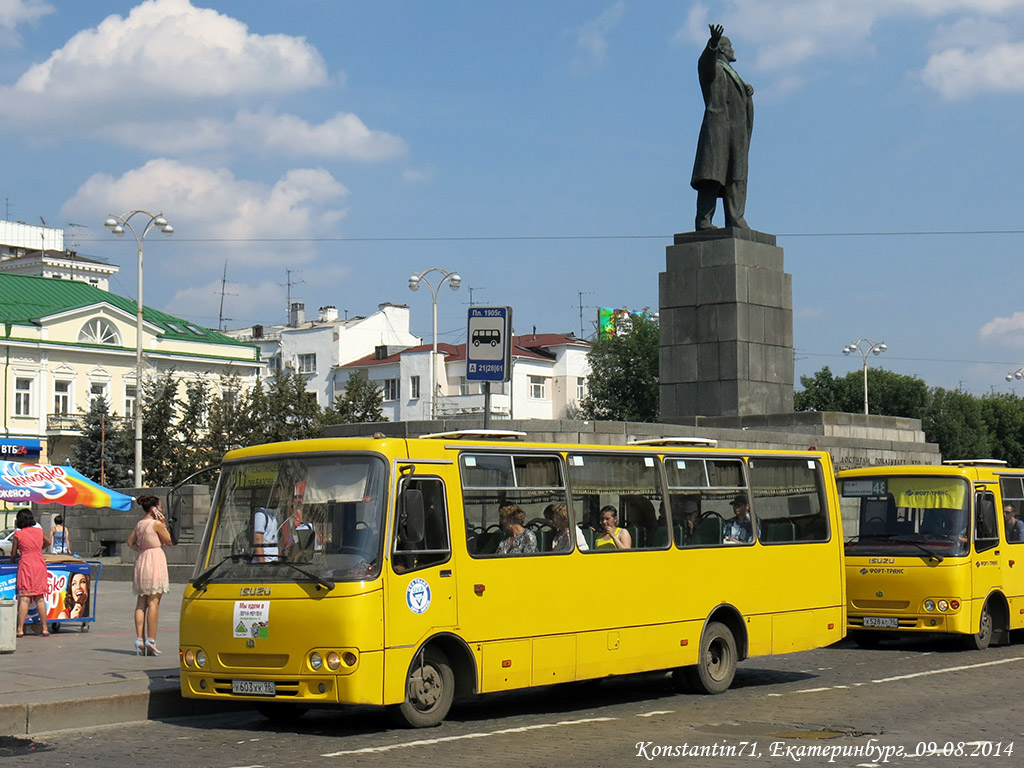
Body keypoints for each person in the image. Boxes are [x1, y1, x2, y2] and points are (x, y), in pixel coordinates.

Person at [691, 23, 754, 231]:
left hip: (735, 135)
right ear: (722, 49)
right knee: (713, 177)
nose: (733, 49)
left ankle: (735, 217)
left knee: (735, 178)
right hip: (718, 131)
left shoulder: (734, 74)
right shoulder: (714, 69)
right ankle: (704, 220)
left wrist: (747, 93)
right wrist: (712, 43)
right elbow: (704, 65)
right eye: (729, 46)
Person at [127, 495, 172, 656]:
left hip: (142, 559)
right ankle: (151, 641)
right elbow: (168, 541)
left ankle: (139, 638)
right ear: (155, 507)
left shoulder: (140, 524)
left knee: (141, 602)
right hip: (155, 560)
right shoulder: (157, 524)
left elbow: (130, 542)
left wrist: (141, 549)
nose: (161, 509)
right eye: (160, 506)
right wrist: (164, 524)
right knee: (153, 602)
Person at [10, 508, 51, 638]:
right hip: (39, 564)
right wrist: (39, 549)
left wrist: (12, 560)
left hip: (26, 565)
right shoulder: (39, 531)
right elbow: (48, 542)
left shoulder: (18, 534)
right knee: (40, 598)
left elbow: (13, 553)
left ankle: (20, 629)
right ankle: (44, 628)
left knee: (25, 598)